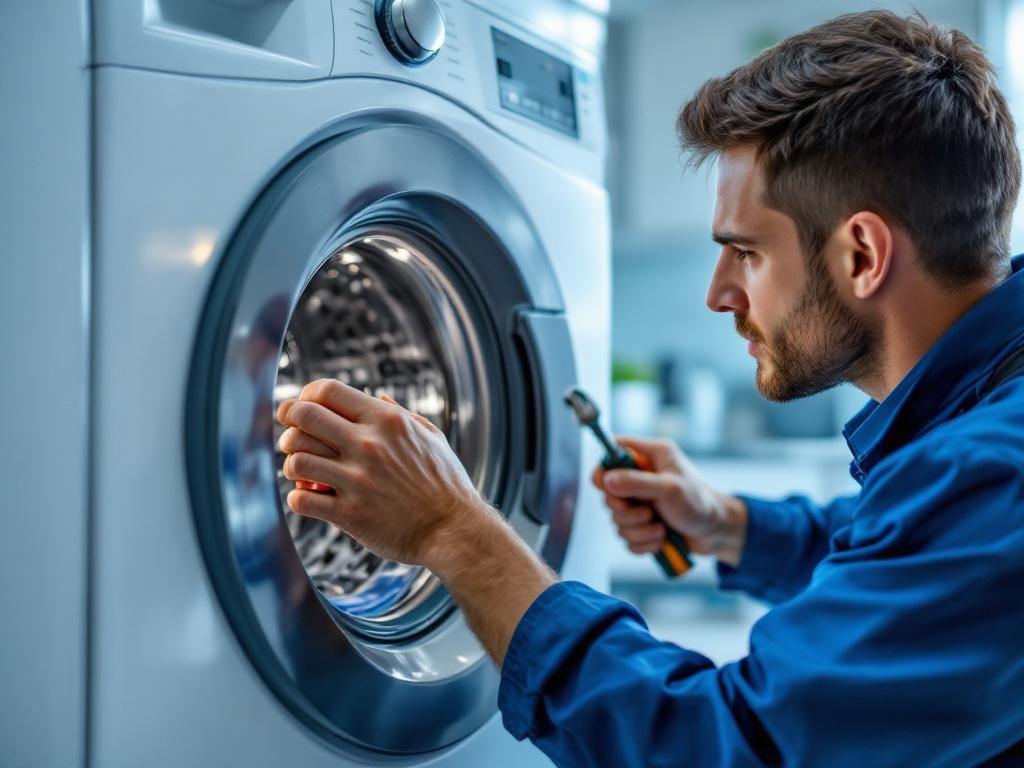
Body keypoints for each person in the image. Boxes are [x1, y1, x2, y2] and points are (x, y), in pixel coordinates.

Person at [275, 10, 1024, 766]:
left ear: (862, 255)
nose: (719, 294)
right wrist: (730, 525)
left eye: (745, 253)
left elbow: (723, 748)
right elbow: (920, 568)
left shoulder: (994, 473)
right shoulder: (990, 427)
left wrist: (453, 531)